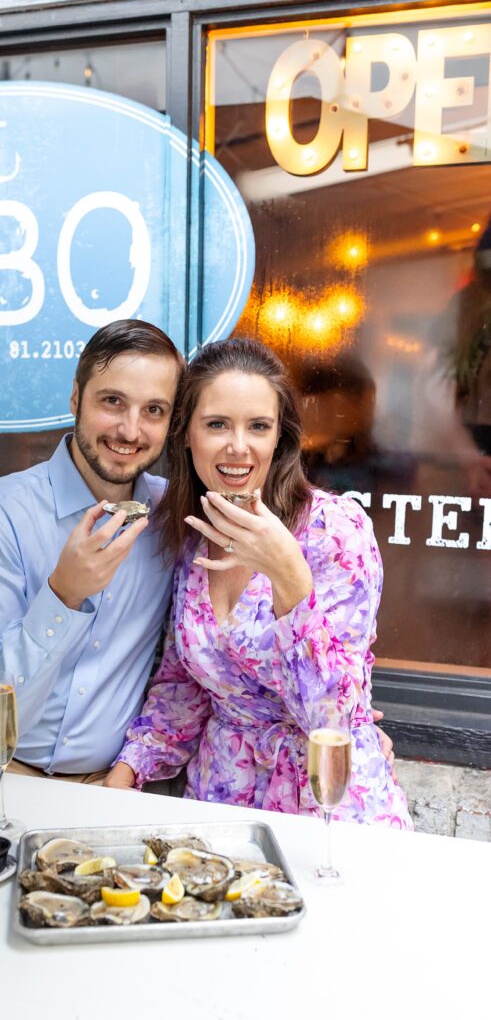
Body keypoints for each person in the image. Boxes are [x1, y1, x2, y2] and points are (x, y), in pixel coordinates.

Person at [106, 338, 412, 828]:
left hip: (328, 804)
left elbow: (332, 718)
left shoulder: (336, 531)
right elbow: (184, 686)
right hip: (221, 797)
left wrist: (289, 576)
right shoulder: (191, 536)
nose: (238, 447)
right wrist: (127, 771)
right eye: (217, 425)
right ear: (186, 435)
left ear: (279, 438)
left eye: (258, 427)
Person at [0, 319, 184, 783]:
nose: (130, 430)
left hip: (103, 779)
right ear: (75, 398)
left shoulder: (174, 520)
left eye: (153, 410)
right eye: (113, 401)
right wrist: (63, 596)